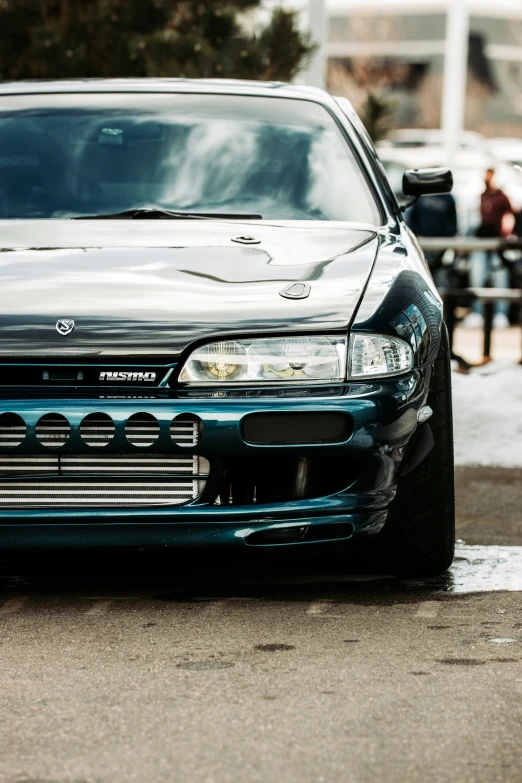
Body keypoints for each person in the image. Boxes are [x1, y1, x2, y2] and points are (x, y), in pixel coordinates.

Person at [462, 168, 514, 329]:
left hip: (499, 243)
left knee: (500, 278)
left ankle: (501, 313)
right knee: (477, 277)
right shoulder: (481, 196)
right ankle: (478, 313)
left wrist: (507, 233)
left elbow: (509, 216)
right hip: (481, 242)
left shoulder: (502, 197)